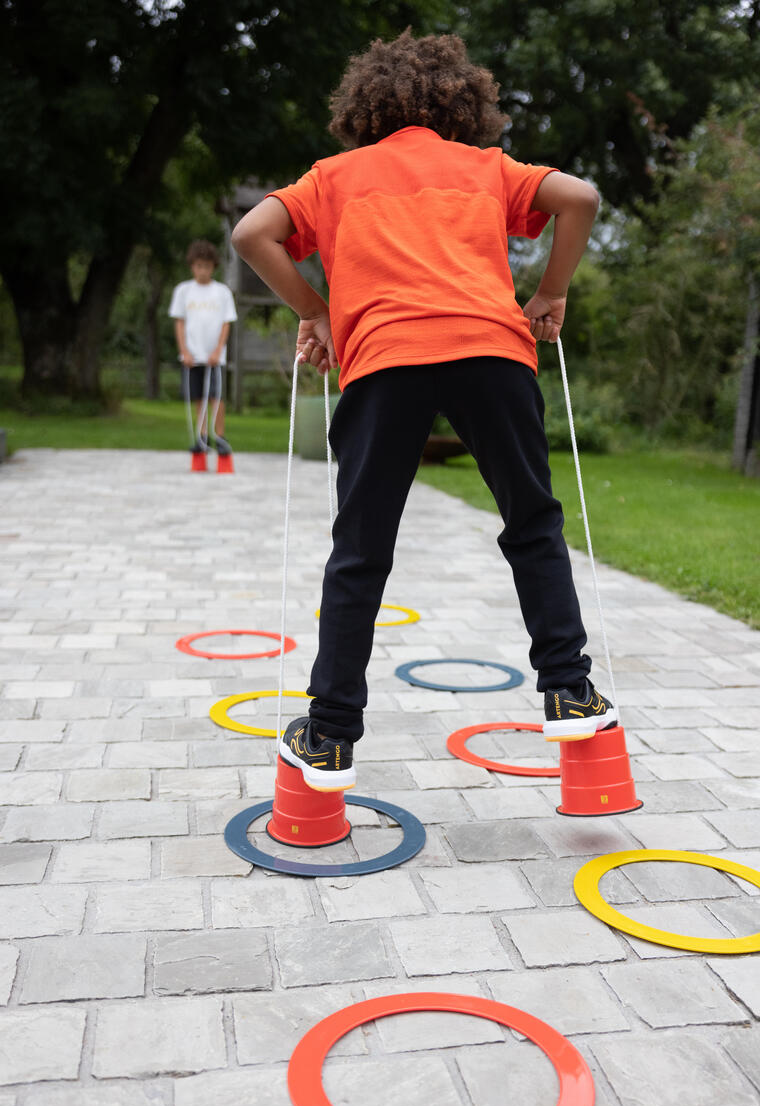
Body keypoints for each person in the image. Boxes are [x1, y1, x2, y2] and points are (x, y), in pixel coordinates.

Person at [232, 30, 616, 792]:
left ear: (361, 110)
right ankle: (570, 690)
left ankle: (332, 735)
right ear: (463, 106)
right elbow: (580, 197)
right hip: (493, 352)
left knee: (361, 550)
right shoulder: (485, 167)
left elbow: (252, 233)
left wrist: (318, 311)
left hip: (385, 360)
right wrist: (549, 292)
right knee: (532, 522)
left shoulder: (334, 175)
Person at [169, 240, 237, 449]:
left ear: (213, 267)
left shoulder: (222, 292)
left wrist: (218, 350)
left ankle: (220, 435)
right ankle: (202, 435)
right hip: (193, 356)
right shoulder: (183, 291)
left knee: (216, 396)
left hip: (214, 356)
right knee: (199, 396)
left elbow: (227, 323)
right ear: (192, 266)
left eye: (207, 266)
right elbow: (179, 322)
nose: (202, 271)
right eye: (199, 266)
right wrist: (184, 351)